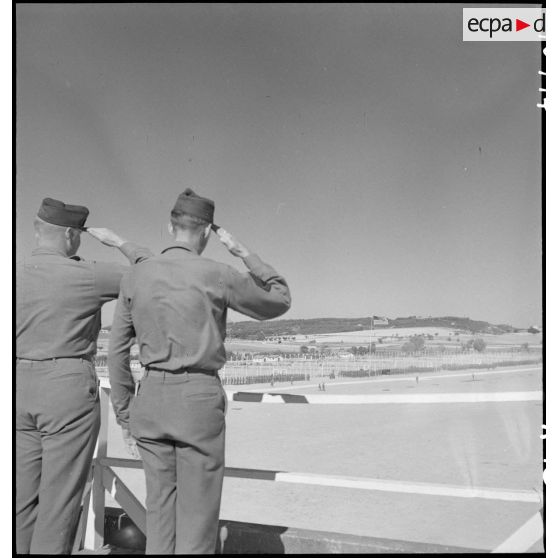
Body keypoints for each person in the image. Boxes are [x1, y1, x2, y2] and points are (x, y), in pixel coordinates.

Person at [109, 188, 291, 554]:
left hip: (151, 400)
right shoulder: (218, 273)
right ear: (207, 232)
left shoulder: (136, 276)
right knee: (198, 520)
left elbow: (116, 352)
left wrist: (127, 415)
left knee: (159, 515)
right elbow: (278, 298)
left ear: (169, 226)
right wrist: (243, 253)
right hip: (197, 401)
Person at [16, 197, 151, 554]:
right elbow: (156, 273)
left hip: (15, 388)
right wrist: (119, 242)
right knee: (58, 503)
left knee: (19, 500)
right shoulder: (85, 274)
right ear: (71, 236)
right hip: (65, 389)